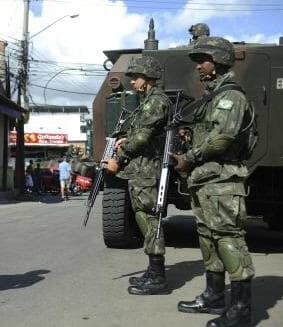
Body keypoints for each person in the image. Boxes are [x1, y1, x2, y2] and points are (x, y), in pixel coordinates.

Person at [170, 36, 255, 327]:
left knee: (228, 239)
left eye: (202, 61)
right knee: (208, 239)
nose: (198, 68)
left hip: (223, 180)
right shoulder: (213, 96)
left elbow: (222, 139)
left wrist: (188, 157)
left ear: (218, 62)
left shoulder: (230, 96)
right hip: (206, 180)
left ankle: (242, 309)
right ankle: (214, 295)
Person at [107, 55, 172, 295]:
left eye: (136, 77)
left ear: (148, 77)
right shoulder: (148, 101)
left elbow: (144, 138)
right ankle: (154, 271)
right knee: (143, 216)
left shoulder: (156, 101)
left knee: (148, 218)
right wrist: (127, 138)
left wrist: (119, 157)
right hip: (141, 169)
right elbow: (142, 133)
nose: (132, 81)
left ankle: (158, 277)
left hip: (146, 170)